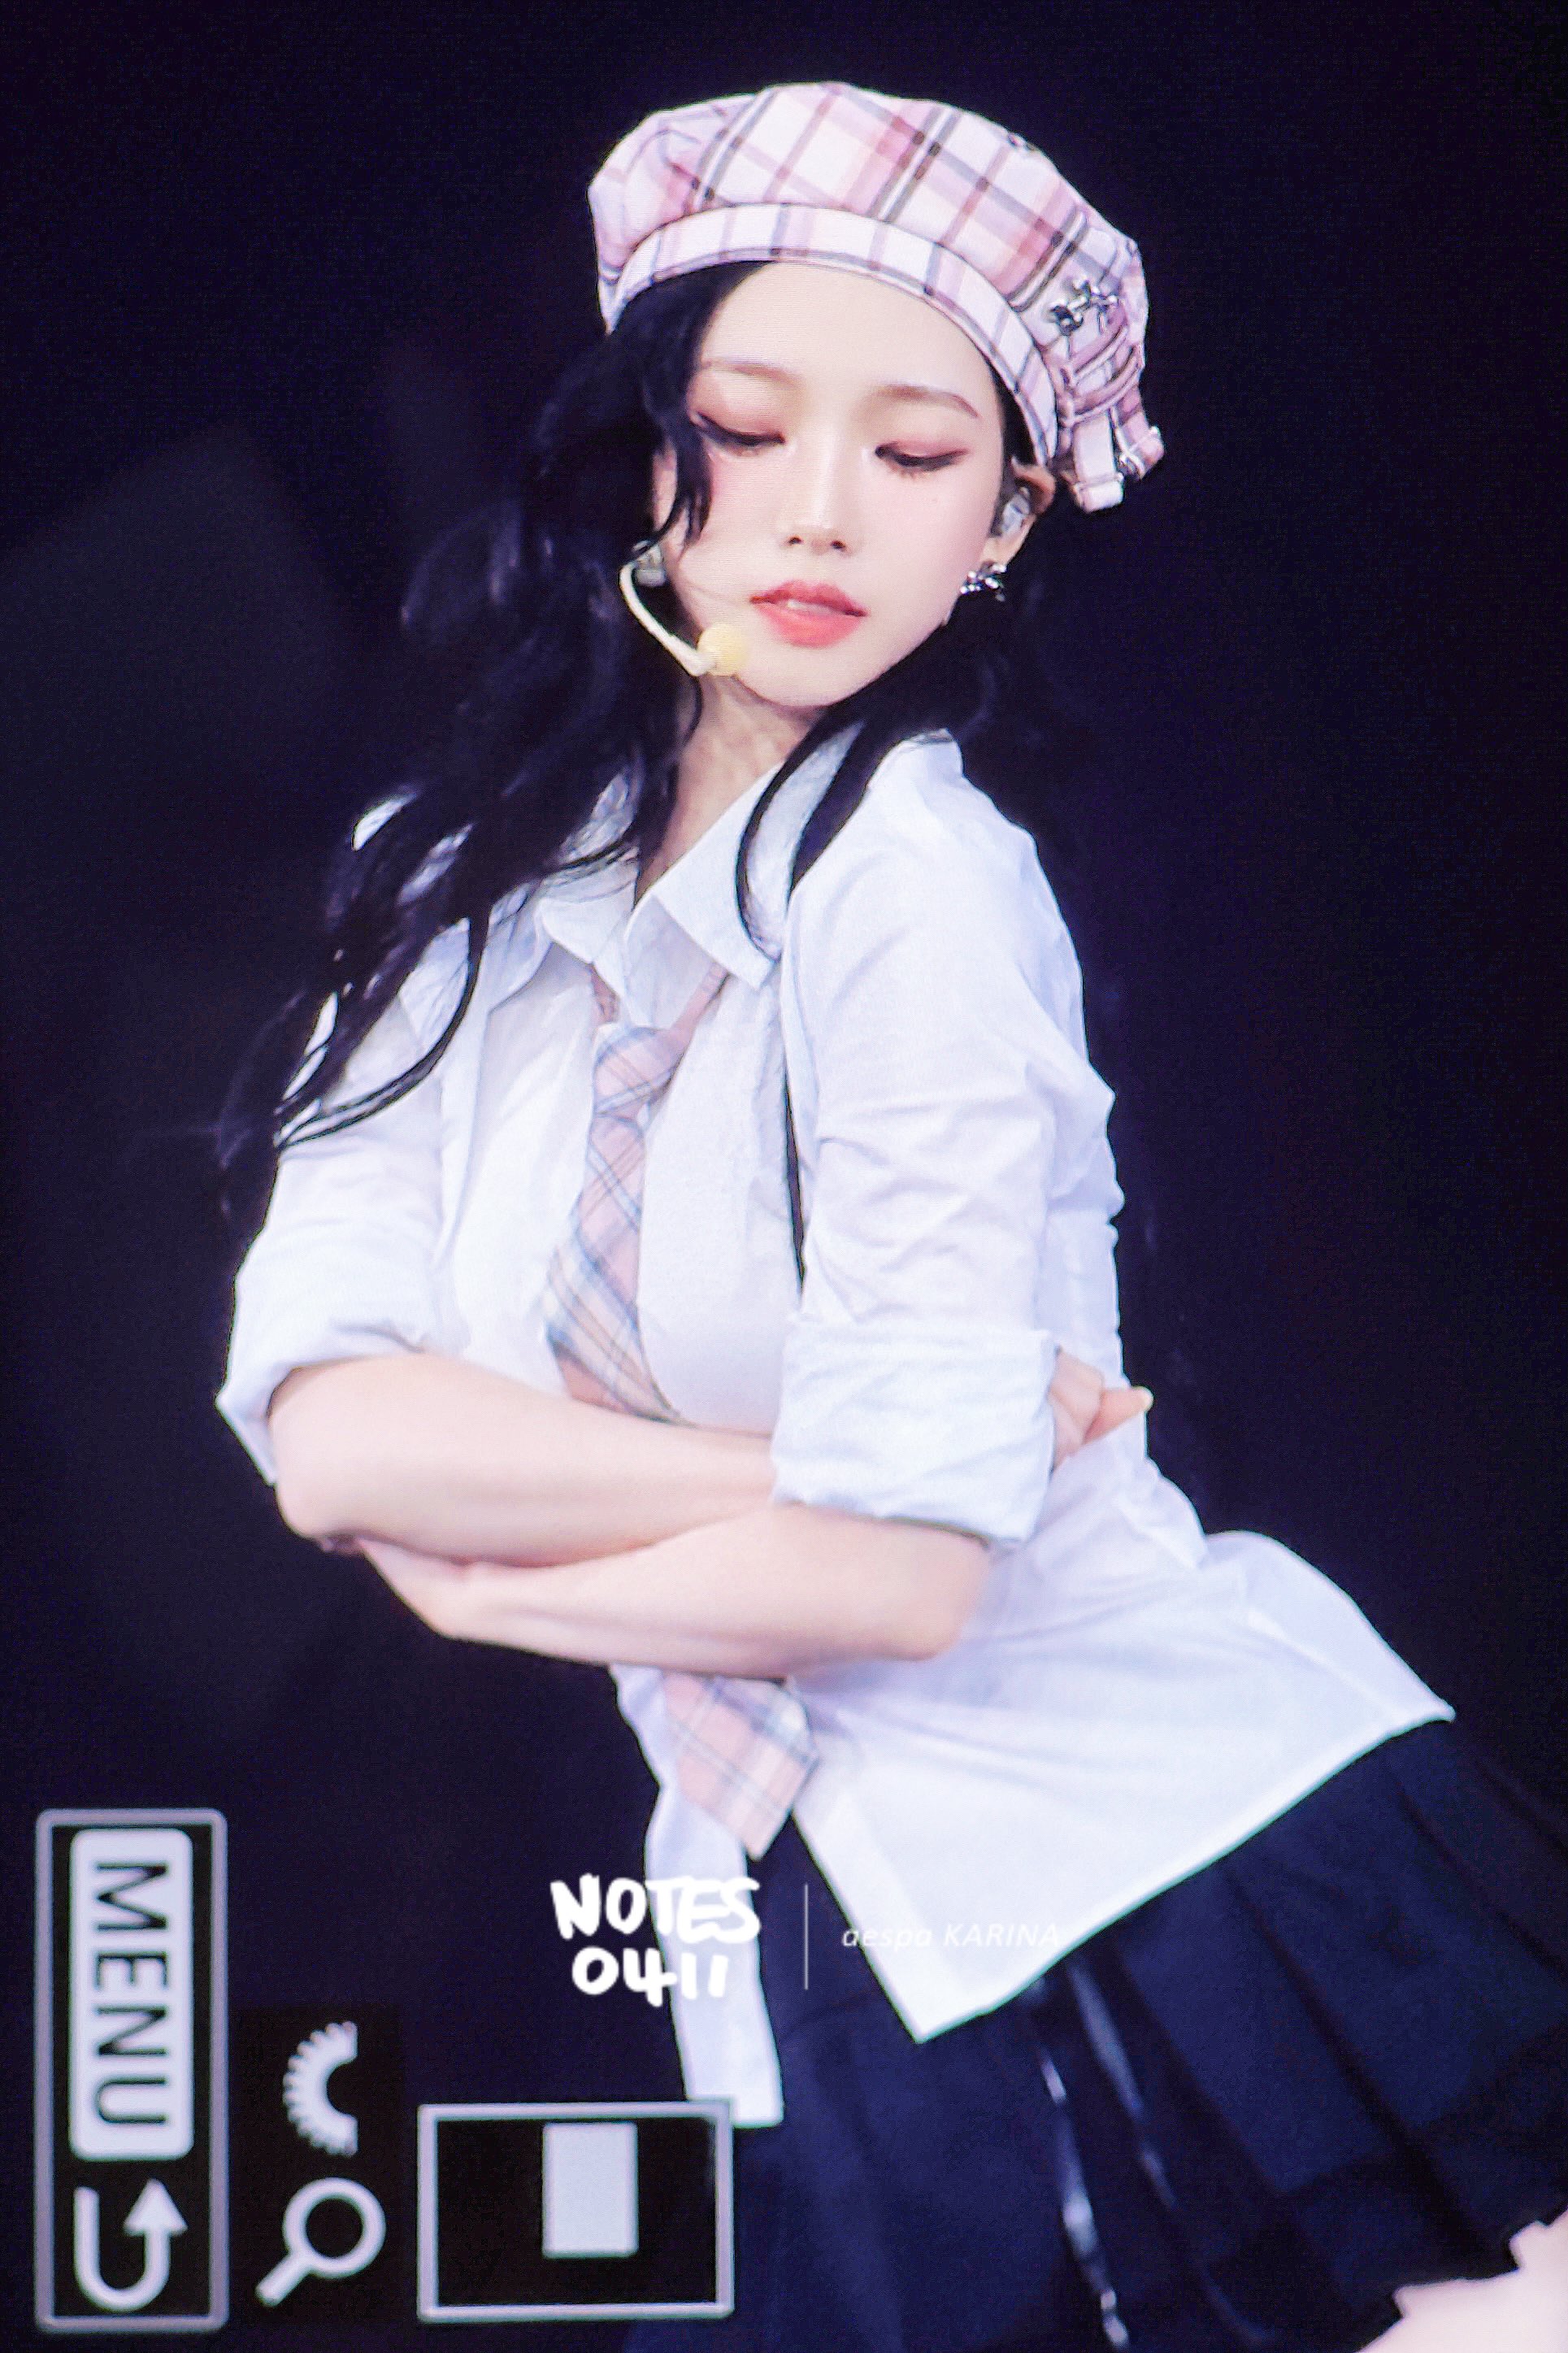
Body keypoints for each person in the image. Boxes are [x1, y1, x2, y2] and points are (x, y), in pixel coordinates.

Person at [216, 82, 1568, 2353]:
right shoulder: (439, 890)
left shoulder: (920, 880)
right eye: (746, 427)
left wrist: (489, 1584)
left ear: (1006, 520)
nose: (819, 509)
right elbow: (330, 1433)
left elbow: (900, 1584)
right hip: (788, 1924)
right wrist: (848, 1455)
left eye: (918, 453)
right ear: (647, 449)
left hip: (1182, 1848)